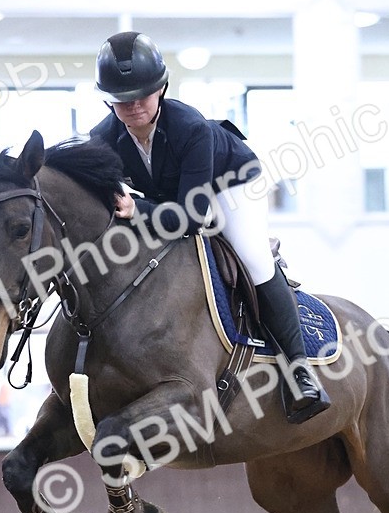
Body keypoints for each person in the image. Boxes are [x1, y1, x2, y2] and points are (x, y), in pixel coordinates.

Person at [90, 31, 330, 424]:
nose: (132, 106)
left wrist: (138, 209)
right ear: (107, 100)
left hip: (231, 187)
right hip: (175, 196)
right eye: (121, 99)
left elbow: (192, 217)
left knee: (252, 258)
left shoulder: (191, 128)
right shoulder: (102, 138)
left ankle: (299, 369)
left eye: (142, 95)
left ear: (161, 89)